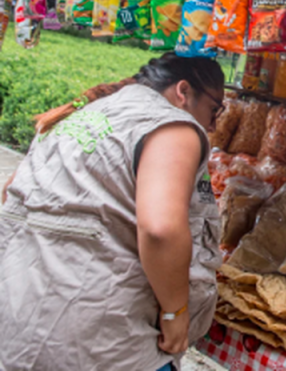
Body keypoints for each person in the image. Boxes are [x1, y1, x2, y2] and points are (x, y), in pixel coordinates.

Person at [0, 53, 225, 370]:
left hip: (21, 323)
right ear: (183, 91)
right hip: (103, 343)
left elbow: (10, 191)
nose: (214, 125)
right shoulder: (173, 126)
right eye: (214, 109)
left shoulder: (83, 113)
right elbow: (161, 229)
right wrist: (176, 313)